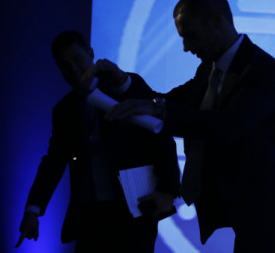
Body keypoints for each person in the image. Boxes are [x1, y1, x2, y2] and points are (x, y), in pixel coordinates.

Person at [108, 0, 275, 252]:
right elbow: (169, 101)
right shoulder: (209, 70)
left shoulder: (262, 69)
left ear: (216, 22)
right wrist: (123, 82)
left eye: (190, 36)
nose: (186, 47)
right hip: (254, 213)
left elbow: (227, 126)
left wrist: (159, 109)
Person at [18, 31, 180, 252]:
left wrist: (168, 190)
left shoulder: (124, 87)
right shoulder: (65, 110)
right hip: (90, 216)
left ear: (91, 53)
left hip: (134, 211)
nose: (74, 69)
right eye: (65, 66)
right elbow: (54, 161)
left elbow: (161, 137)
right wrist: (33, 210)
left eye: (77, 60)